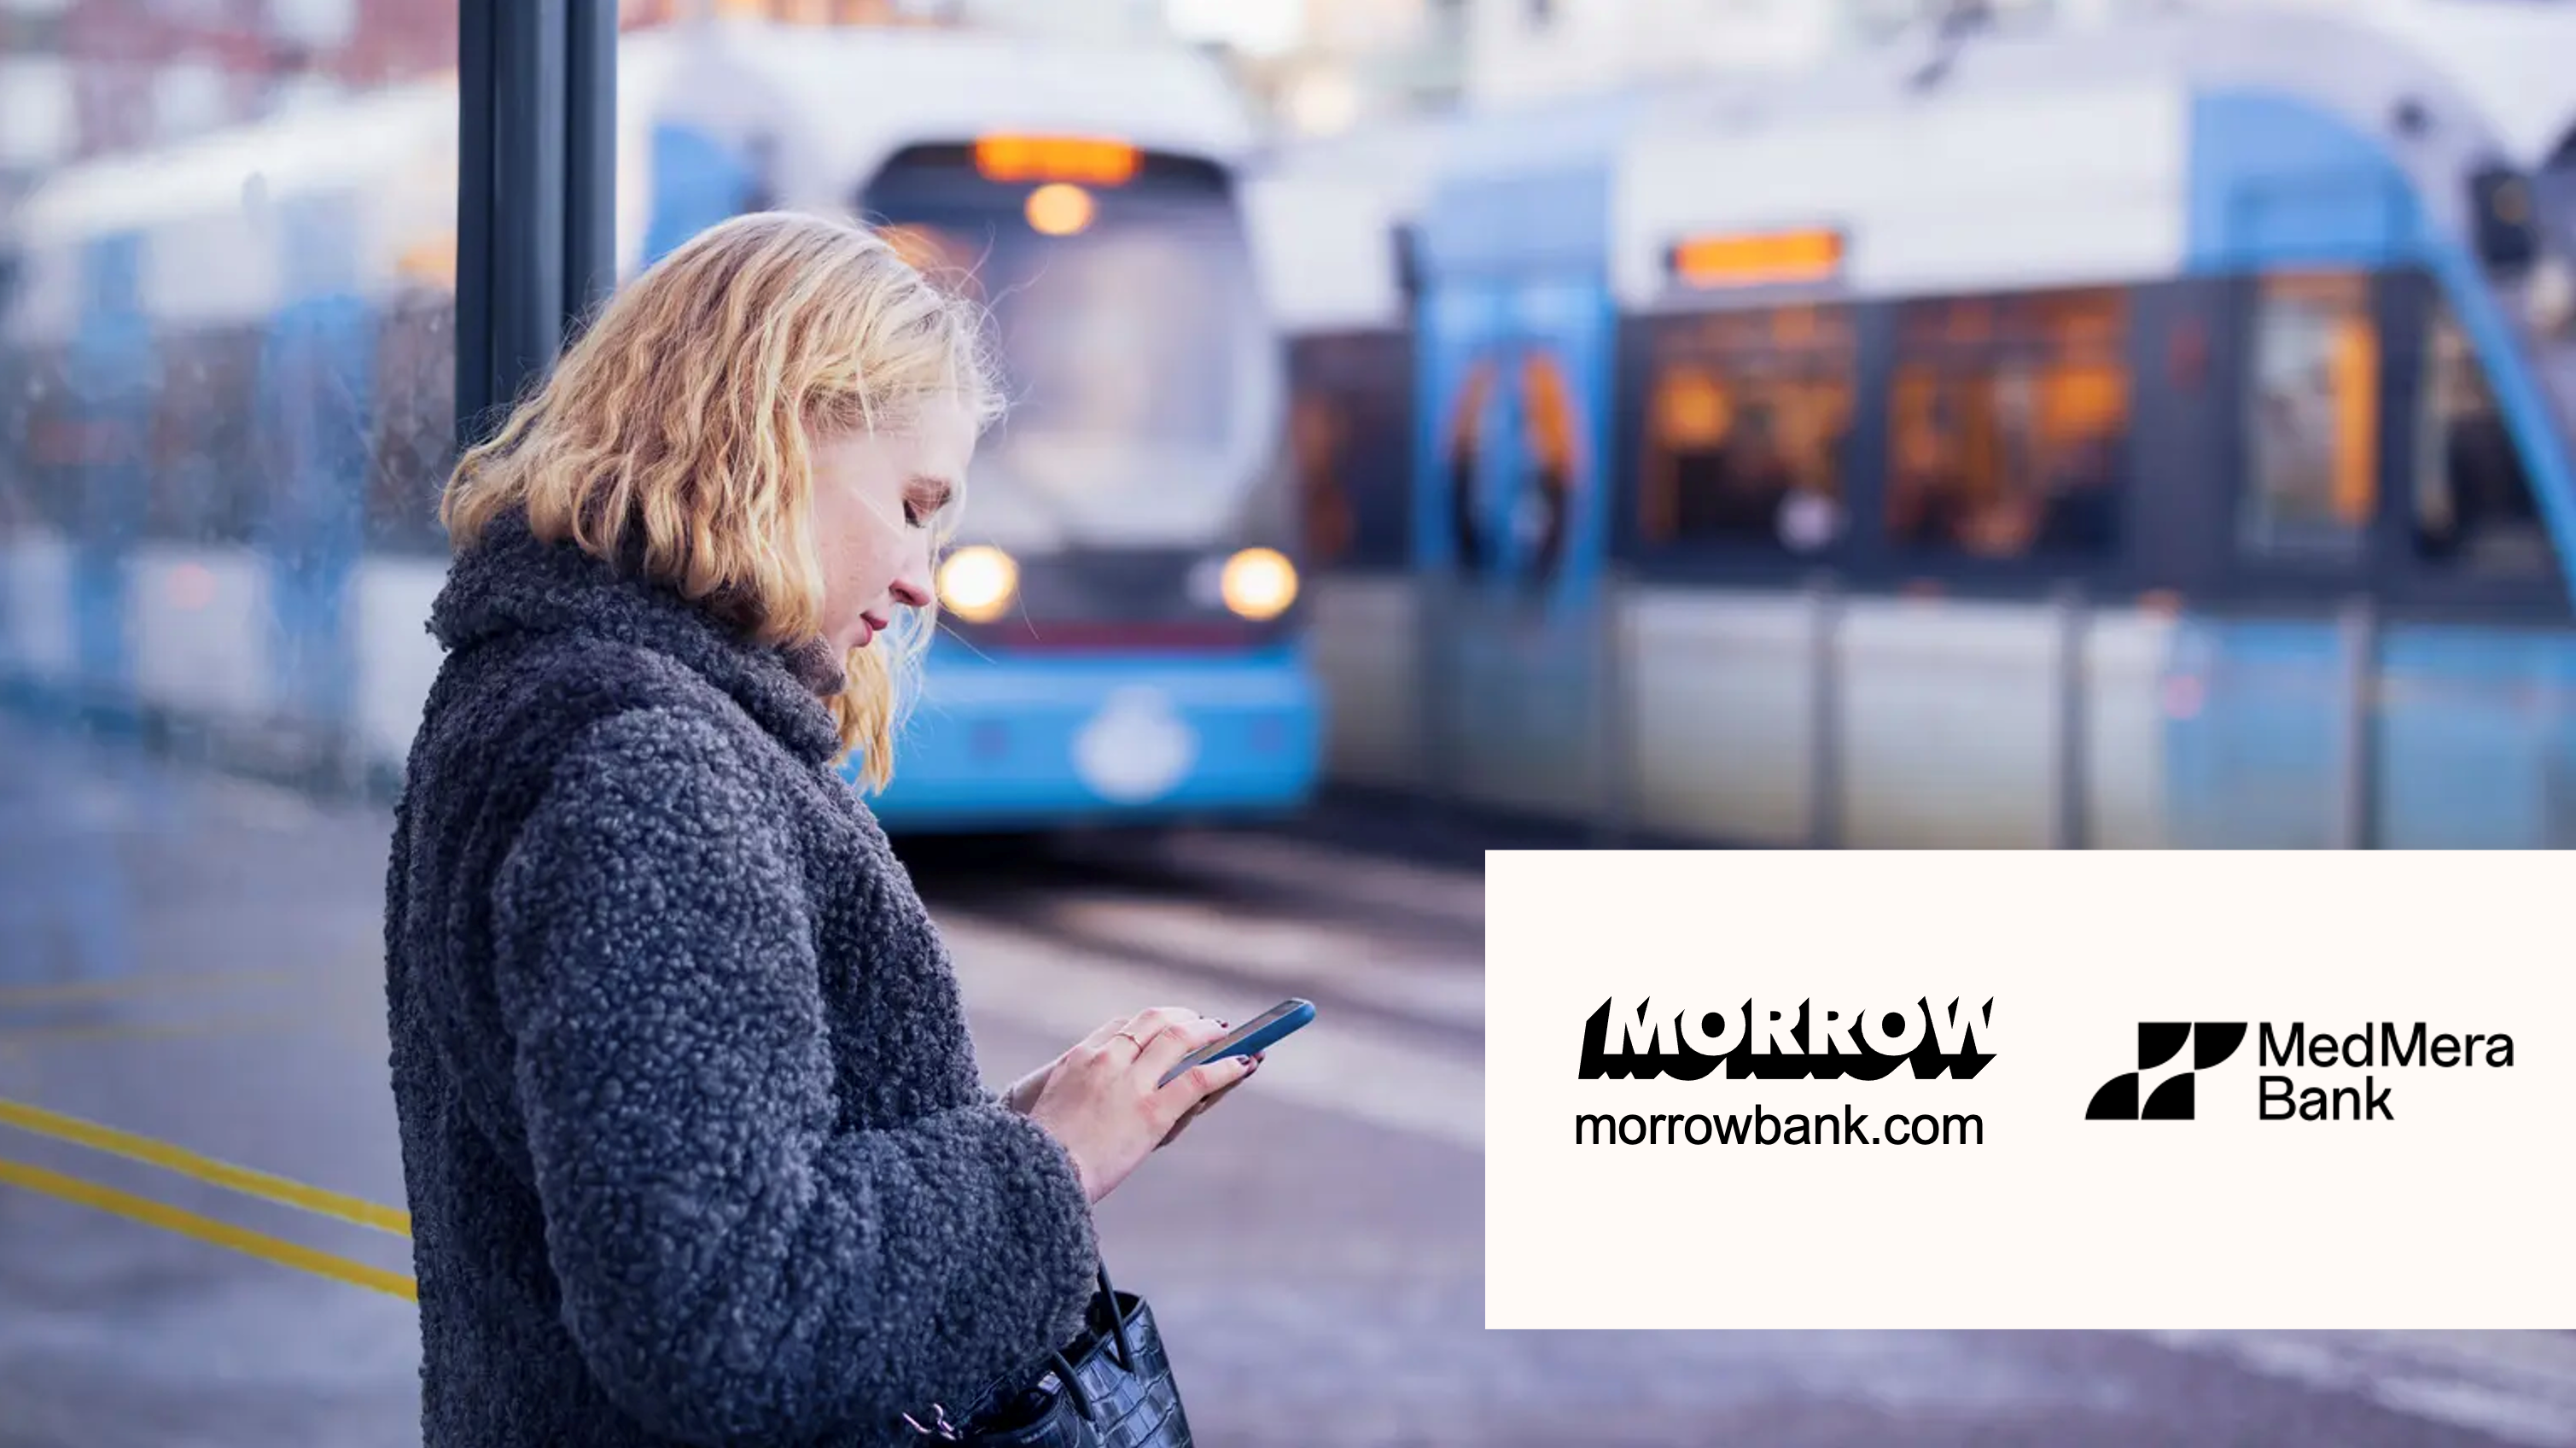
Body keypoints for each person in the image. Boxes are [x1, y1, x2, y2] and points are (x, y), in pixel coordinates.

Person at [381, 210, 1259, 1448]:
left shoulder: (548, 695)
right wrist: (1048, 1165)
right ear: (770, 436)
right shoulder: (653, 771)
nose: (920, 579)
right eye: (910, 502)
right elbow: (727, 1323)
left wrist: (1007, 1126)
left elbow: (716, 1179)